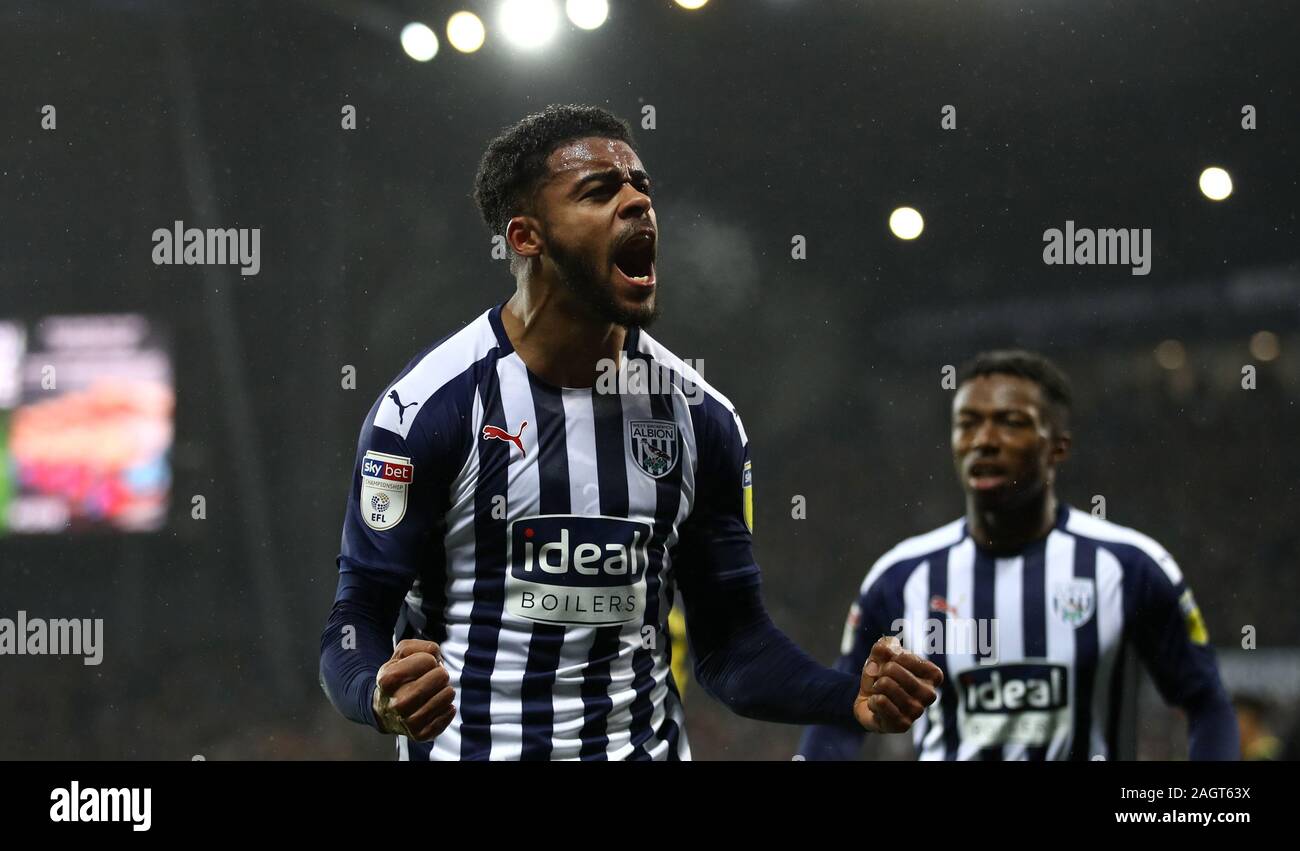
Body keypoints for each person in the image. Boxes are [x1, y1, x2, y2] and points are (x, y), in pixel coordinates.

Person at [318, 104, 941, 760]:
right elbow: (356, 614)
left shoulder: (702, 419)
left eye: (641, 186)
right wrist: (374, 691)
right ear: (527, 236)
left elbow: (733, 645)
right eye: (599, 191)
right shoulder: (428, 408)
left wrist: (846, 697)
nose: (637, 203)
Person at [798, 350, 1238, 760]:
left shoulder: (1130, 567)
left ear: (1058, 445)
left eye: (1010, 422)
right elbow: (840, 714)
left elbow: (1206, 704)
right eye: (967, 423)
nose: (984, 441)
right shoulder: (899, 578)